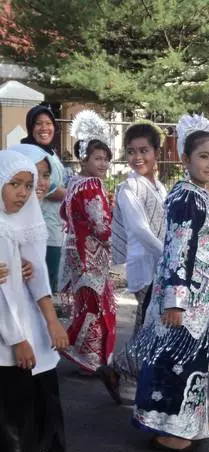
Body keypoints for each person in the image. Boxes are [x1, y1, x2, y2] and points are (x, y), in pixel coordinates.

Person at [132, 114, 209, 452]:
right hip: (185, 302)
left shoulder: (197, 194)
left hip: (198, 299)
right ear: (185, 160)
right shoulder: (187, 197)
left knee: (192, 362)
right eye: (203, 156)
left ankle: (193, 420)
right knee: (177, 363)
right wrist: (175, 300)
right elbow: (177, 250)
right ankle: (172, 430)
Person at [0, 150, 75, 452]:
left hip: (26, 323)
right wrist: (17, 339)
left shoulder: (28, 217)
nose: (24, 191)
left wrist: (51, 320)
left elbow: (39, 274)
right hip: (9, 330)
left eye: (28, 184)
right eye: (14, 183)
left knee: (37, 389)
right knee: (12, 400)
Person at [58, 110, 117, 374]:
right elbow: (102, 226)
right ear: (85, 158)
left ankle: (82, 352)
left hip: (73, 247)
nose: (103, 164)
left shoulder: (74, 182)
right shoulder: (92, 185)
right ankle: (88, 358)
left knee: (84, 300)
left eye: (106, 159)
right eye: (98, 158)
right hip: (90, 252)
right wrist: (113, 237)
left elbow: (63, 213)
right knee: (95, 303)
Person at [112, 122, 168, 335]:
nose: (137, 157)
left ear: (156, 152)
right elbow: (139, 230)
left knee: (153, 320)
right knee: (148, 319)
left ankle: (136, 365)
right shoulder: (129, 188)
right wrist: (168, 256)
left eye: (144, 151)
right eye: (131, 152)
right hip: (144, 263)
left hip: (160, 263)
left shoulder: (160, 187)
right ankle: (133, 366)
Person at [20, 105, 66, 294]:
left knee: (49, 283)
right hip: (40, 228)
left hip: (55, 227)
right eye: (38, 123)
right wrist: (72, 194)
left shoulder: (49, 152)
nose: (44, 128)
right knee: (39, 288)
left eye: (48, 123)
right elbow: (43, 187)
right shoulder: (28, 151)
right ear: (30, 127)